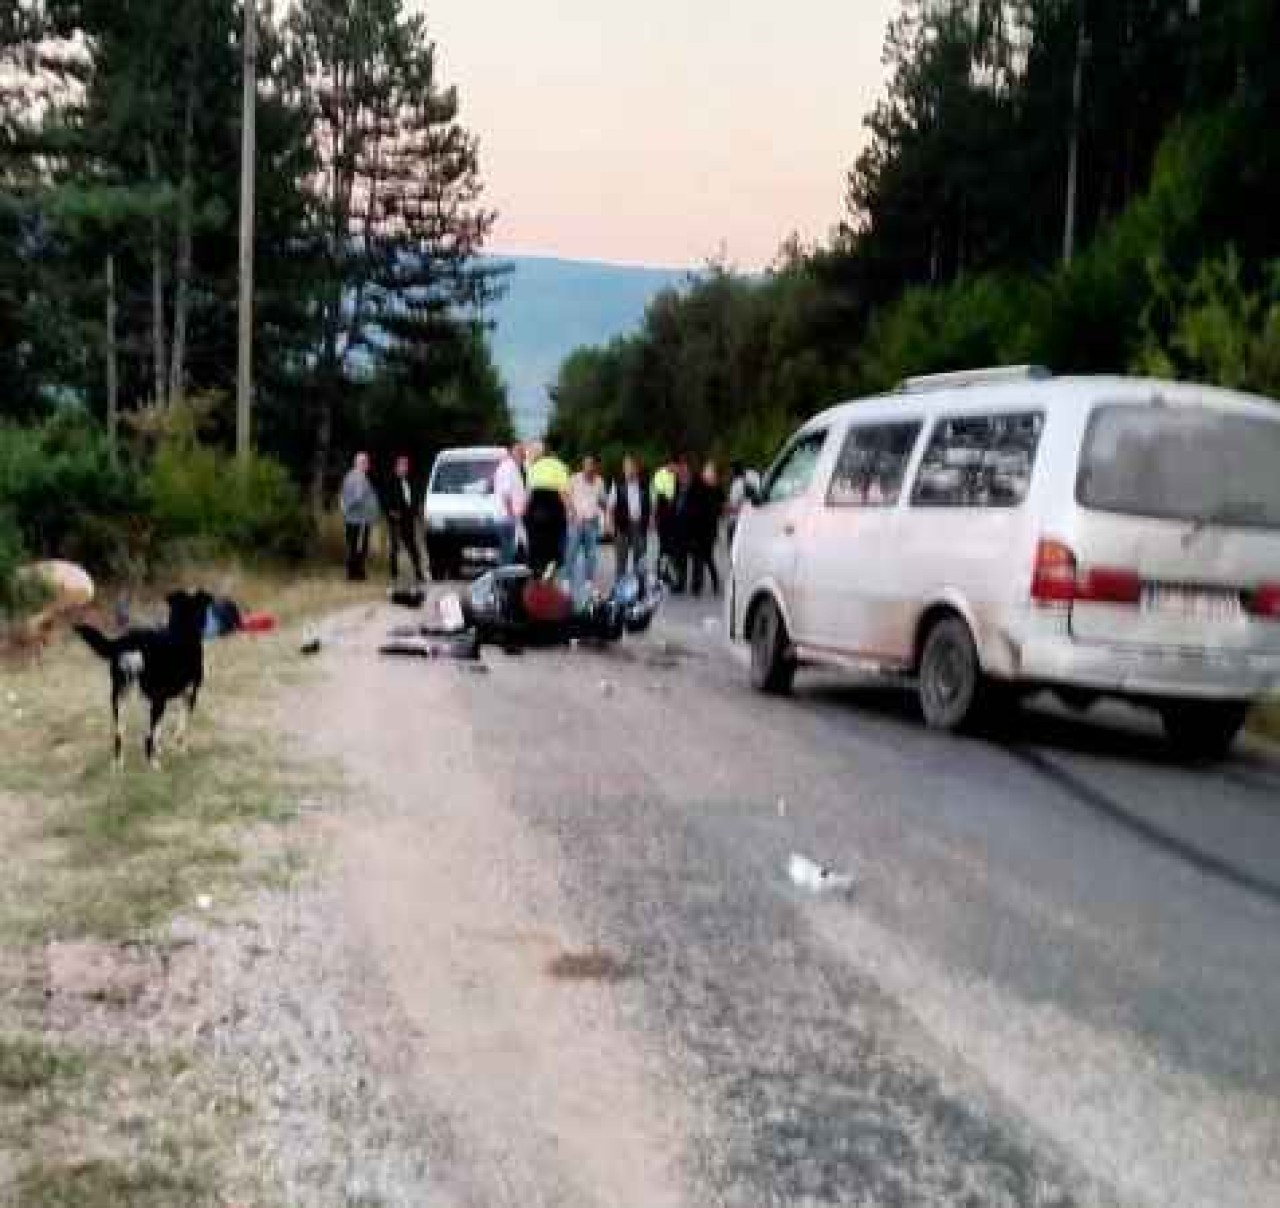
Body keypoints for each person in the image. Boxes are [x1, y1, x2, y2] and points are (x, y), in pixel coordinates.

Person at [523, 439, 571, 577]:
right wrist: (570, 512)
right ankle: (551, 570)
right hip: (553, 507)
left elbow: (529, 492)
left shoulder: (533, 467)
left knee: (536, 546)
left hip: (535, 508)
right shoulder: (559, 465)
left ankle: (536, 572)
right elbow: (563, 492)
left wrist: (524, 512)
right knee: (554, 547)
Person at [565, 454, 607, 600]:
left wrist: (607, 512)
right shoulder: (574, 479)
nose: (587, 467)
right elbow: (566, 497)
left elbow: (602, 501)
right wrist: (573, 514)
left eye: (590, 464)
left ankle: (589, 581)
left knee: (591, 554)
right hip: (576, 522)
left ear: (595, 466)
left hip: (592, 521)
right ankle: (567, 580)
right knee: (571, 552)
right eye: (585, 464)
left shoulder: (600, 481)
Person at [608, 454, 651, 582]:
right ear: (623, 469)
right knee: (621, 562)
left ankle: (640, 590)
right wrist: (610, 524)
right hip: (622, 527)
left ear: (637, 469)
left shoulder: (645, 485)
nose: (629, 470)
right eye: (626, 467)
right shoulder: (617, 484)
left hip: (639, 526)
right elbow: (610, 506)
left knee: (640, 562)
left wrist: (650, 521)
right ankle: (619, 591)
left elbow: (651, 504)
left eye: (632, 467)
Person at [687, 459, 726, 597]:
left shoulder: (717, 489)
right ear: (703, 473)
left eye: (712, 472)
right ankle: (696, 586)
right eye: (707, 472)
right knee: (697, 558)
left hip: (710, 529)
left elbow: (721, 505)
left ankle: (714, 581)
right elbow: (689, 506)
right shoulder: (696, 486)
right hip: (696, 529)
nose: (710, 474)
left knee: (708, 557)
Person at [384, 454, 424, 584]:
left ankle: (418, 572)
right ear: (397, 467)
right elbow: (385, 499)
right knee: (394, 546)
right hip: (395, 518)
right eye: (402, 465)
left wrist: (416, 510)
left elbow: (413, 498)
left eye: (406, 465)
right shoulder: (390, 481)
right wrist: (391, 512)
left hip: (408, 518)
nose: (404, 468)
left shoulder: (410, 481)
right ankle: (393, 574)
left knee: (412, 546)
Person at [340, 451, 379, 581]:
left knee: (353, 546)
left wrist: (345, 510)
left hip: (352, 519)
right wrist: (350, 508)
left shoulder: (349, 475)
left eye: (367, 462)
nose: (368, 465)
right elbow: (357, 497)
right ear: (360, 463)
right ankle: (356, 574)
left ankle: (354, 573)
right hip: (359, 519)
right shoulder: (359, 477)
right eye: (366, 462)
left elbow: (342, 498)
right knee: (359, 547)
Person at [493, 441, 527, 566]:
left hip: (509, 517)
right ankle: (505, 583)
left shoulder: (514, 468)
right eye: (519, 452)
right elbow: (506, 494)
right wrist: (512, 515)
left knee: (509, 552)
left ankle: (506, 582)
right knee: (508, 553)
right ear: (512, 452)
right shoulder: (509, 468)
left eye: (523, 452)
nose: (522, 455)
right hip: (507, 518)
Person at [652, 458, 681, 591]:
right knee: (664, 547)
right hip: (663, 516)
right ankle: (661, 574)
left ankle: (667, 574)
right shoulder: (660, 475)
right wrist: (654, 517)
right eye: (674, 466)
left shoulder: (677, 476)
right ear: (669, 464)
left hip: (673, 518)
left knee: (671, 549)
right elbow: (658, 496)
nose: (676, 469)